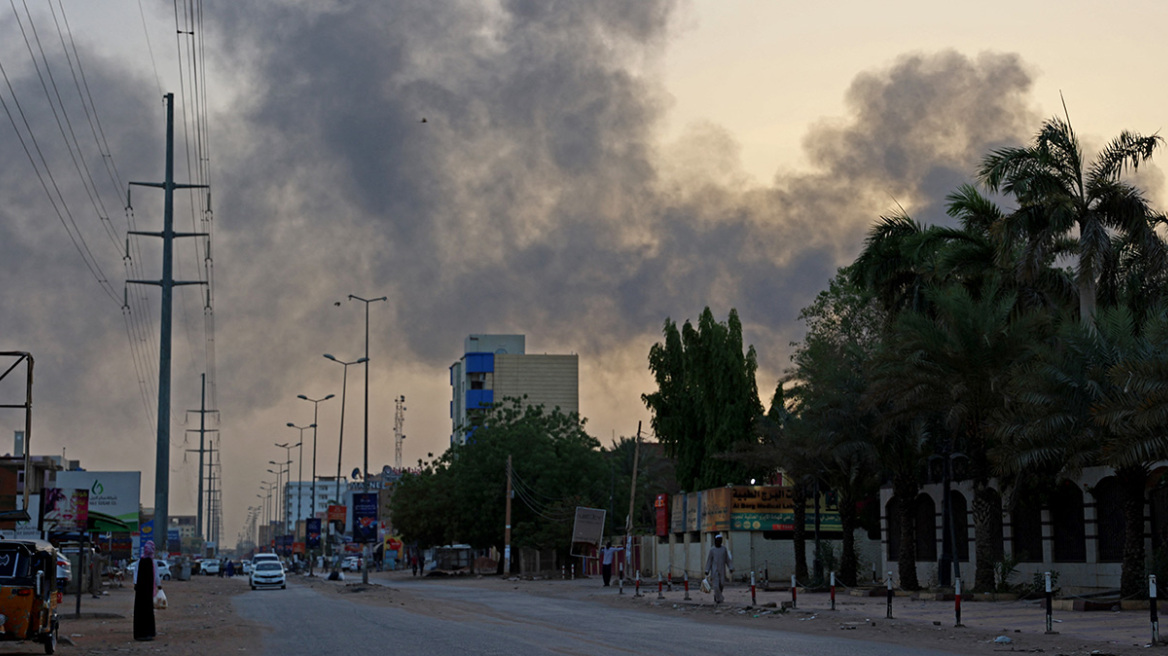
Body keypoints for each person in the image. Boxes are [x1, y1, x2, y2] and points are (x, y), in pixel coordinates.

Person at [133, 541, 159, 641]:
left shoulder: (140, 561)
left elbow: (135, 574)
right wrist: (159, 586)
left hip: (140, 591)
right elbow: (156, 576)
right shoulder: (153, 562)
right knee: (148, 611)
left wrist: (135, 584)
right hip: (147, 591)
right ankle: (148, 633)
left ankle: (139, 634)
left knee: (140, 611)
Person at [704, 533, 733, 605]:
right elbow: (709, 561)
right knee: (716, 585)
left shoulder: (724, 549)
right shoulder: (712, 550)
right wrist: (707, 570)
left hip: (722, 570)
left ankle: (716, 596)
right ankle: (720, 598)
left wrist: (731, 567)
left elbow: (727, 560)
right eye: (717, 540)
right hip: (714, 570)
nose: (718, 542)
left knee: (722, 584)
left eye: (720, 540)